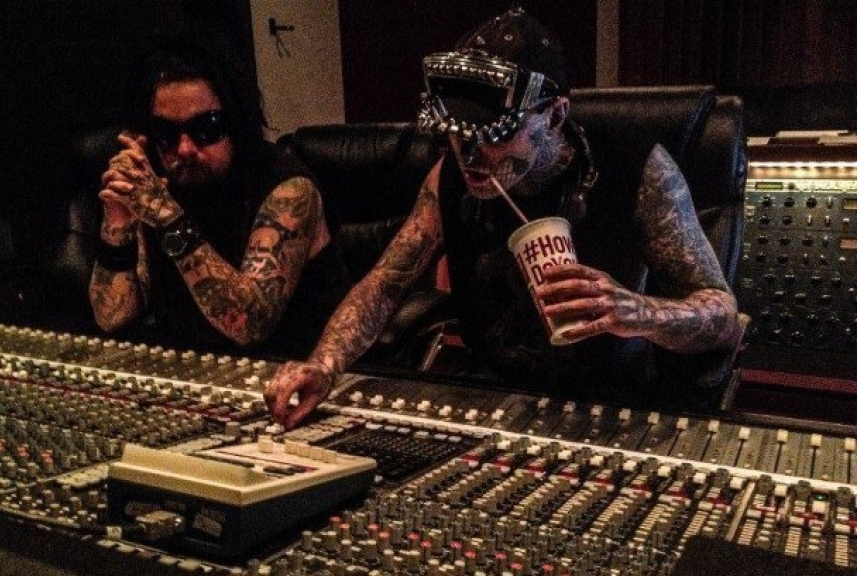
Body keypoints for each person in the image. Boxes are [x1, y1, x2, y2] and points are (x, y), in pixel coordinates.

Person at [265, 7, 744, 429]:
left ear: (554, 115)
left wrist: (637, 311)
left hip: (615, 408)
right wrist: (325, 364)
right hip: (496, 402)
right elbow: (384, 285)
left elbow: (722, 314)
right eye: (457, 132)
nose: (469, 155)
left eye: (494, 134)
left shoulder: (640, 170)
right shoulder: (448, 174)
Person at [89, 30, 350, 356]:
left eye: (206, 127)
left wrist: (168, 217)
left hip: (288, 371)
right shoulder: (154, 183)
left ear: (235, 122)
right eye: (166, 132)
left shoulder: (288, 189)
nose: (185, 148)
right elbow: (111, 317)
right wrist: (118, 225)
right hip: (191, 370)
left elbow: (249, 326)